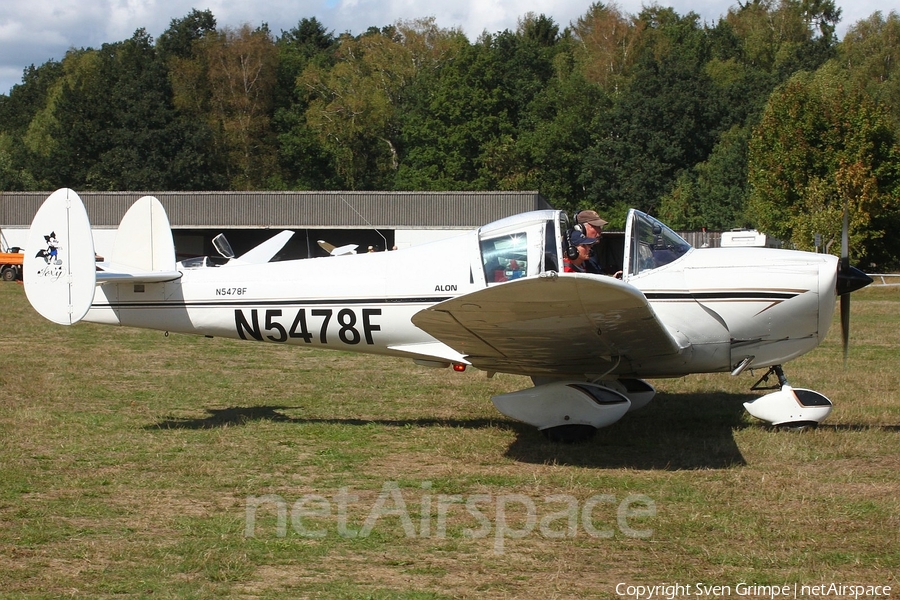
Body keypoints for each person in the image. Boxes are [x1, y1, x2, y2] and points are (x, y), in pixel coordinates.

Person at [575, 210, 622, 278]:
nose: (600, 231)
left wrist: (612, 278)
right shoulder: (574, 252)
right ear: (581, 228)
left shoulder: (591, 252)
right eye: (596, 227)